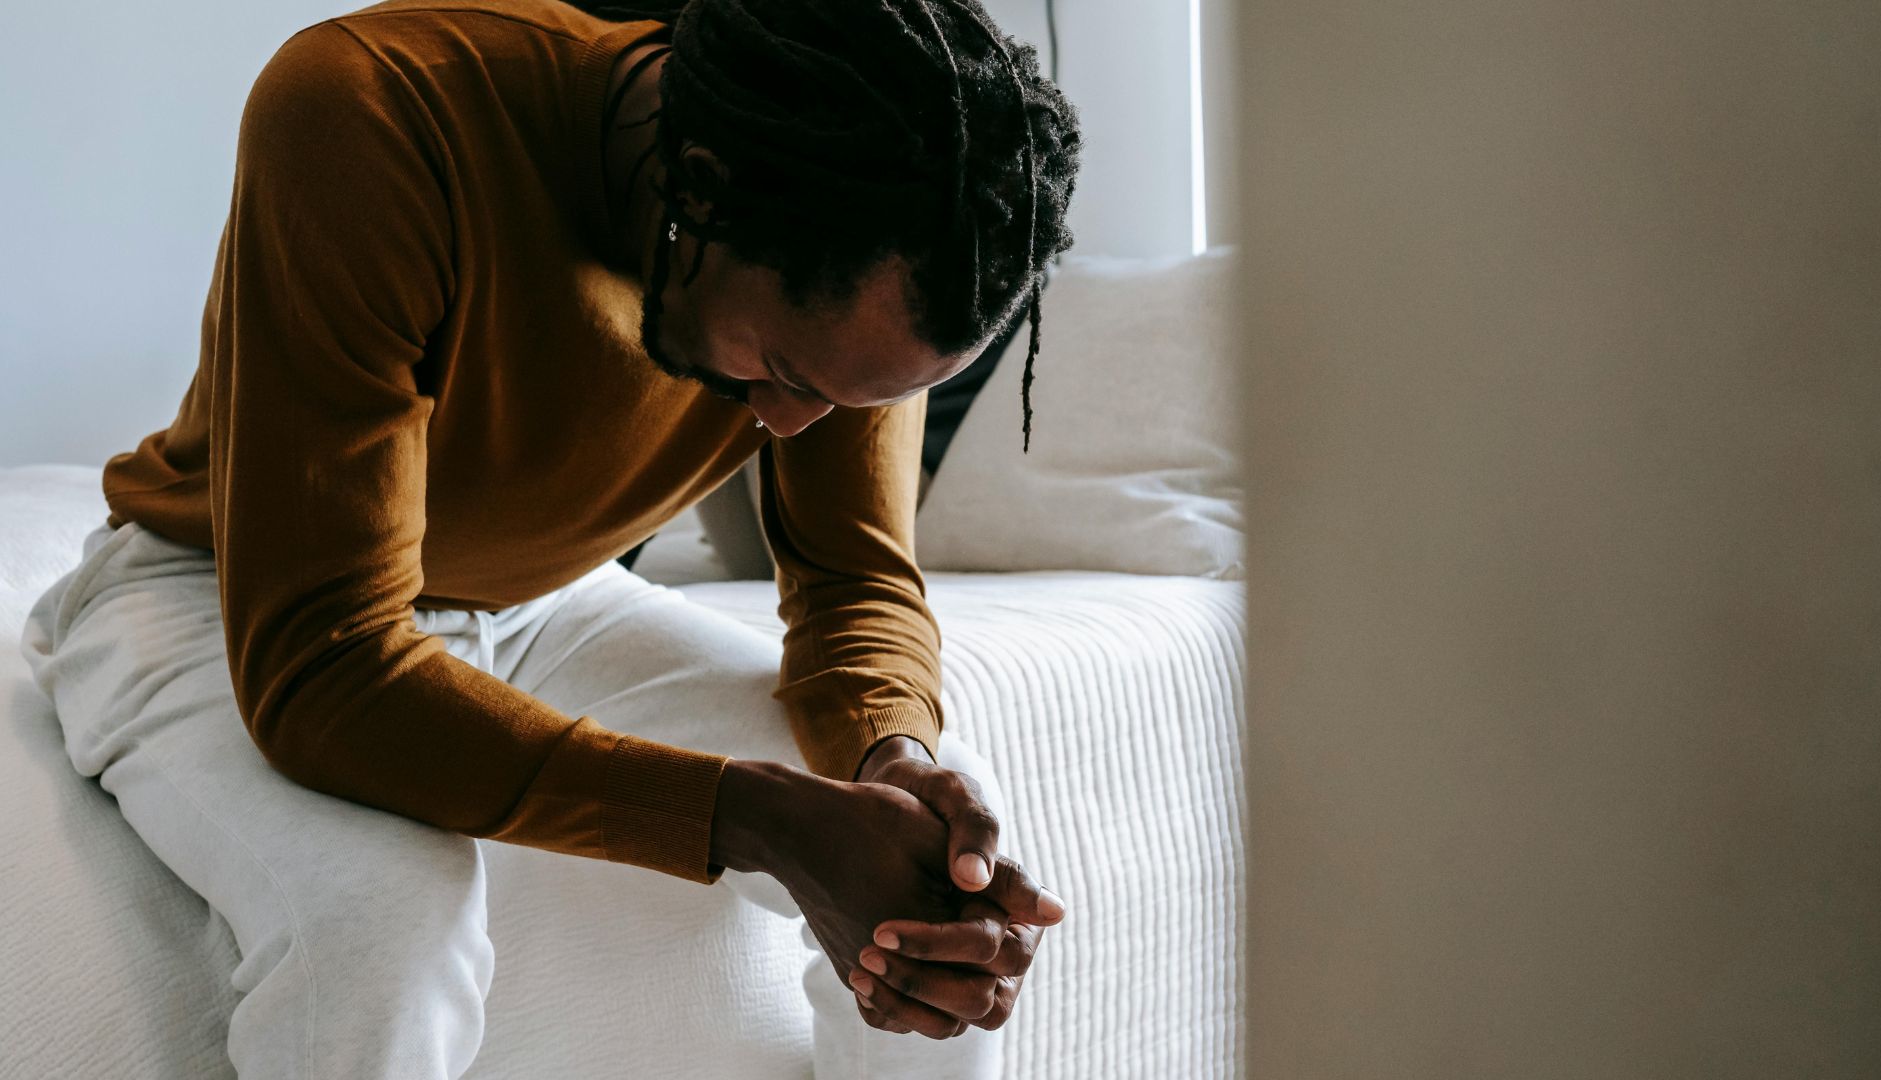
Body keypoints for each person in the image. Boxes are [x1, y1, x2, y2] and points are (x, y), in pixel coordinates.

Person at [17, 0, 1083, 1075]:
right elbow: (323, 672)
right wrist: (752, 818)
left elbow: (853, 580)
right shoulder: (374, 108)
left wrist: (888, 750)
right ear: (699, 190)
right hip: (218, 598)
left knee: (937, 866)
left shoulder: (891, 221)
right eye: (789, 375)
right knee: (381, 927)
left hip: (546, 600)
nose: (792, 426)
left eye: (849, 401)